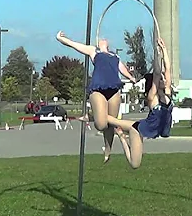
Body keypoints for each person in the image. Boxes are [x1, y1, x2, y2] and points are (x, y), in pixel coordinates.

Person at [56, 30, 136, 162]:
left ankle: (108, 150)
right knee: (101, 124)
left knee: (111, 124)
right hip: (98, 89)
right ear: (98, 43)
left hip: (114, 90)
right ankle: (93, 116)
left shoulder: (115, 56)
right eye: (101, 38)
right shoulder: (94, 51)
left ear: (108, 43)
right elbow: (74, 45)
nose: (104, 39)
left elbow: (122, 70)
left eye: (106, 38)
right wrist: (61, 39)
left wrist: (131, 78)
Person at [105, 38, 173, 169]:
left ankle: (119, 133)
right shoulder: (152, 97)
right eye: (162, 79)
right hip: (138, 130)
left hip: (145, 126)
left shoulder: (167, 92)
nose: (164, 79)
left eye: (165, 78)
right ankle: (120, 135)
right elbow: (158, 73)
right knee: (134, 164)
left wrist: (164, 50)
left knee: (111, 120)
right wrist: (157, 55)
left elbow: (167, 69)